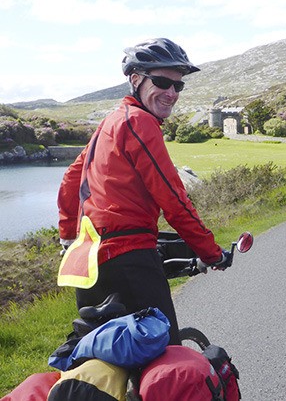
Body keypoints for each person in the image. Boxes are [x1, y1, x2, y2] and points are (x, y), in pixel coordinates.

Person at [57, 38, 231, 345]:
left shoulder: (110, 122)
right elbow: (173, 198)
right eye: (163, 82)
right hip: (130, 261)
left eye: (178, 86)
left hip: (88, 264)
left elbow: (73, 178)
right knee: (166, 359)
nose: (171, 93)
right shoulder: (140, 122)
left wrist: (67, 233)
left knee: (106, 358)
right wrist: (210, 252)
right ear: (135, 79)